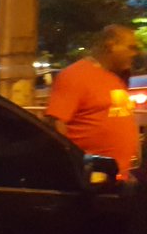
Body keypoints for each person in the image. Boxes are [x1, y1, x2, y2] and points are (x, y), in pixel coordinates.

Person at [45, 24, 141, 180]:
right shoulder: (75, 75)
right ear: (111, 45)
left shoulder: (116, 76)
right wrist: (74, 167)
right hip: (91, 178)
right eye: (130, 47)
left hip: (118, 175)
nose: (134, 53)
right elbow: (56, 124)